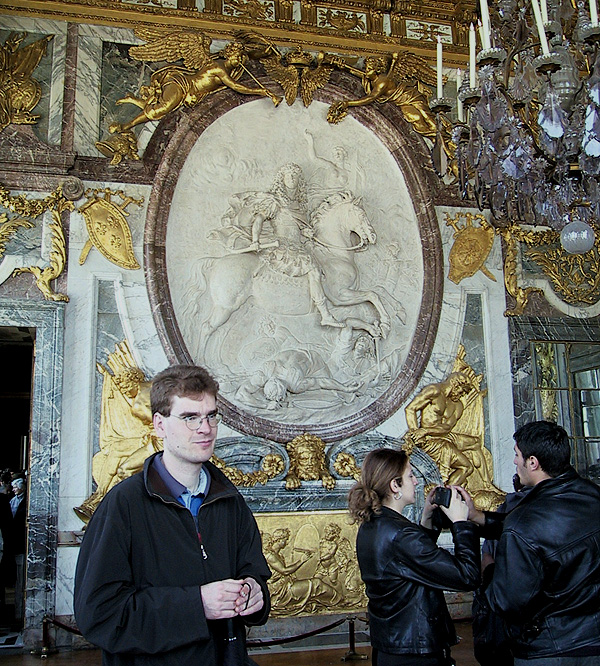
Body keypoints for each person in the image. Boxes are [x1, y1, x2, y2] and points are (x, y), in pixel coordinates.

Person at [74, 364, 271, 666]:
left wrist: (255, 595)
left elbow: (253, 574)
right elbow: (100, 614)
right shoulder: (122, 505)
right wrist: (197, 605)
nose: (205, 428)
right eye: (190, 417)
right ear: (160, 425)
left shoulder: (231, 501)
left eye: (211, 416)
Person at [469, 420, 600, 665]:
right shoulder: (592, 495)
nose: (515, 462)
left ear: (533, 462)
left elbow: (506, 602)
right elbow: (550, 533)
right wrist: (478, 517)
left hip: (549, 648)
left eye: (517, 455)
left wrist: (488, 567)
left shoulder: (523, 522)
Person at [348, 448, 480, 666]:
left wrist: (427, 519)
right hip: (415, 654)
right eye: (410, 475)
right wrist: (461, 523)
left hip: (392, 647)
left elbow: (412, 564)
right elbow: (467, 576)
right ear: (394, 485)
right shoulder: (401, 534)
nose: (416, 481)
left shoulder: (374, 525)